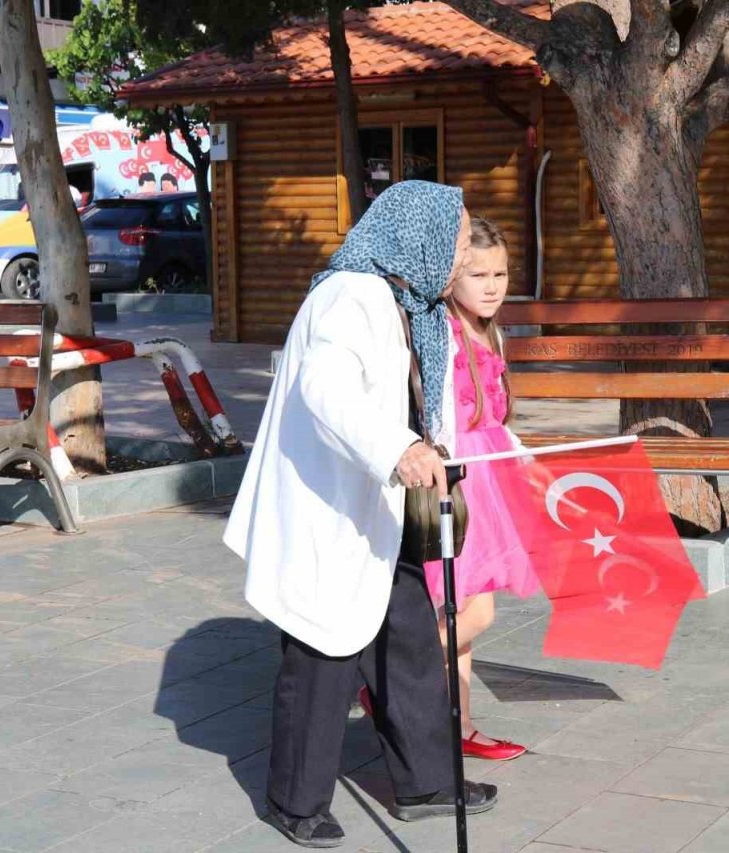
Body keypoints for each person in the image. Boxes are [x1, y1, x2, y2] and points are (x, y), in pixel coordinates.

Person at [223, 181, 499, 849]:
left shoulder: (413, 305)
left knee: (405, 640)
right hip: (331, 510)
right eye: (459, 241)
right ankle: (294, 801)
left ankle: (427, 780)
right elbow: (328, 389)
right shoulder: (351, 296)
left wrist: (430, 451)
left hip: (380, 507)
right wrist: (397, 446)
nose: (462, 255)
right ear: (420, 239)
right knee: (324, 652)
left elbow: (415, 401)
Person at [359, 218, 538, 762]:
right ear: (450, 278)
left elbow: (491, 411)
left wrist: (515, 448)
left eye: (501, 273)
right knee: (470, 613)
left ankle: (457, 724)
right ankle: (386, 685)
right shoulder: (443, 331)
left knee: (463, 618)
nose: (492, 285)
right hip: (457, 481)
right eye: (477, 273)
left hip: (491, 477)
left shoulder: (491, 330)